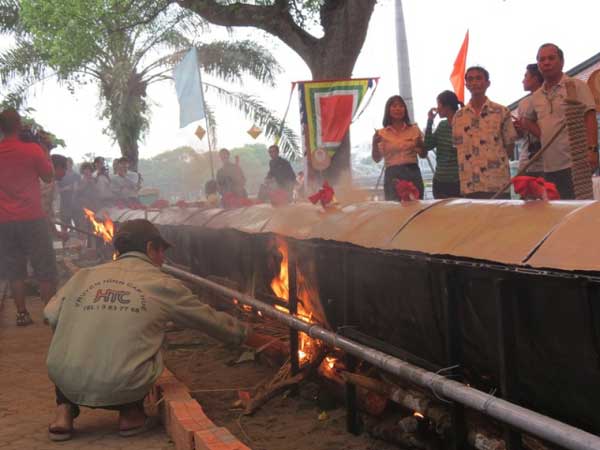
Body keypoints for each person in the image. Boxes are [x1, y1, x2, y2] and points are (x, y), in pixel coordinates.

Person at [44, 219, 251, 441]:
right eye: (161, 251)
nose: (163, 259)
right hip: (124, 383)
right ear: (150, 247)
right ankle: (130, 414)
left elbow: (49, 315)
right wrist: (248, 335)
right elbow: (210, 320)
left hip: (66, 377)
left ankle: (63, 413)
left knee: (68, 342)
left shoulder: (83, 276)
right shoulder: (162, 283)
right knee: (150, 343)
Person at [0, 109, 57, 326]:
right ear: (19, 125)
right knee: (44, 267)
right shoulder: (32, 150)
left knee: (15, 270)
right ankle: (48, 312)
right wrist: (44, 152)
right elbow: (48, 176)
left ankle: (22, 313)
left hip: (4, 221)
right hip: (32, 217)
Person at [521, 43, 598, 199]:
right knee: (555, 214)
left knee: (578, 213)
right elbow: (526, 120)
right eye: (542, 60)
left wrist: (592, 151)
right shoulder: (536, 97)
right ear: (538, 64)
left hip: (575, 163)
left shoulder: (576, 86)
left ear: (561, 62)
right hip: (548, 167)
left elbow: (590, 118)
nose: (546, 63)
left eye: (551, 58)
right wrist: (544, 136)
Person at [452, 66, 517, 199]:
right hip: (470, 184)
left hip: (497, 183)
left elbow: (509, 146)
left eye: (479, 78)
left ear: (487, 83)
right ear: (466, 85)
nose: (474, 82)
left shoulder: (501, 112)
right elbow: (458, 148)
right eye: (470, 79)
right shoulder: (458, 117)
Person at [372, 95, 427, 200]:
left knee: (415, 208)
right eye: (394, 106)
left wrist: (421, 145)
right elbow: (376, 159)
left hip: (412, 173)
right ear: (388, 110)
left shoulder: (415, 130)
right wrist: (374, 144)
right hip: (393, 175)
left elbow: (423, 155)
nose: (398, 109)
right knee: (395, 211)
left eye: (401, 106)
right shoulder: (381, 133)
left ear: (405, 110)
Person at [424, 91, 463, 198]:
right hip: (440, 180)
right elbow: (427, 145)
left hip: (458, 180)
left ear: (447, 107)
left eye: (439, 105)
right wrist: (430, 121)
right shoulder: (442, 125)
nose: (437, 109)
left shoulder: (463, 125)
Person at [514, 64, 544, 177]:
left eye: (526, 76)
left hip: (548, 162)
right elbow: (521, 135)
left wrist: (528, 124)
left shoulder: (549, 97)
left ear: (536, 78)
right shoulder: (523, 103)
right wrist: (519, 129)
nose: (523, 81)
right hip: (526, 161)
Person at [57, 157, 81, 233]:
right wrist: (66, 188)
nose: (68, 165)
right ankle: (65, 243)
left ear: (72, 164)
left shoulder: (76, 175)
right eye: (66, 164)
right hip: (64, 205)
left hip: (76, 205)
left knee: (79, 227)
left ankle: (80, 244)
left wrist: (76, 188)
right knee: (64, 227)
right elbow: (57, 190)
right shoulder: (61, 175)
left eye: (69, 164)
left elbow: (79, 189)